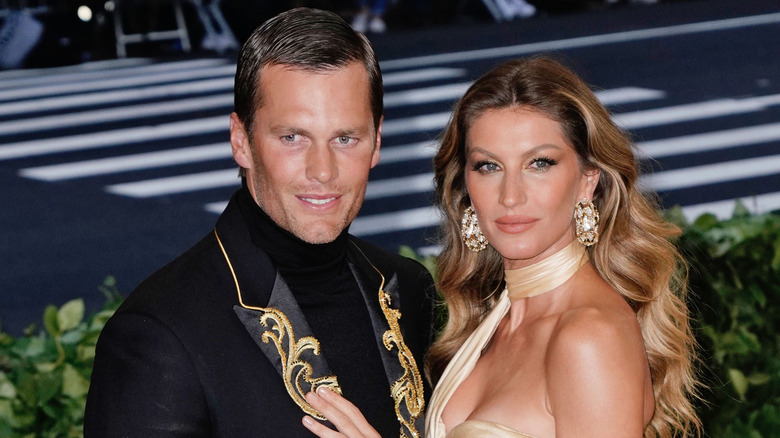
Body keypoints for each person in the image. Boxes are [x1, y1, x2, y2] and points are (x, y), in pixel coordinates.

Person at [303, 56, 701, 438]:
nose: (511, 196)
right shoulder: (496, 321)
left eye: (539, 163)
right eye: (488, 166)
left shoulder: (588, 336)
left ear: (587, 181)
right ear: (466, 188)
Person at [84, 7, 435, 437]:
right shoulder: (159, 335)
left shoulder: (411, 291)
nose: (322, 170)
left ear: (377, 142)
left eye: (345, 138)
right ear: (241, 142)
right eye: (292, 138)